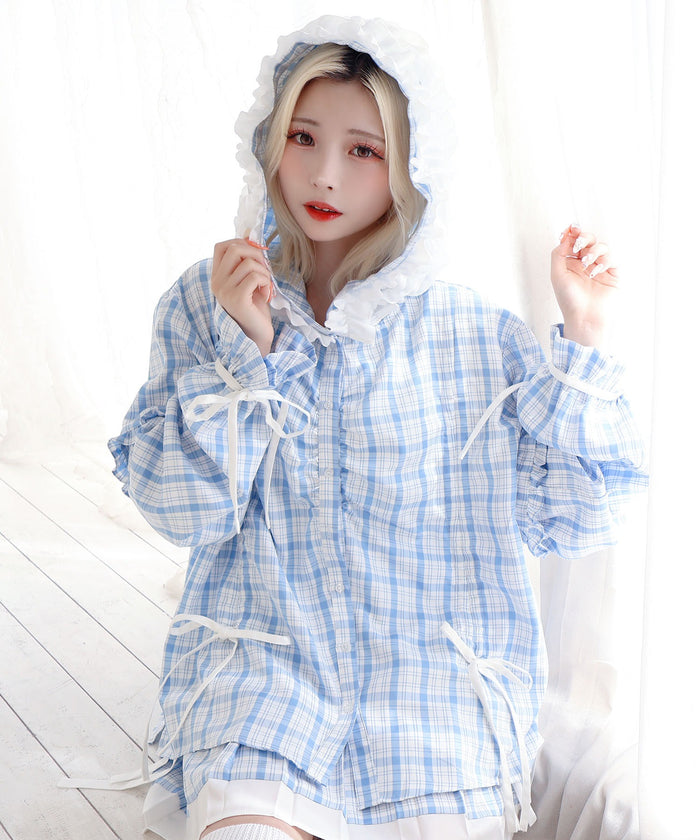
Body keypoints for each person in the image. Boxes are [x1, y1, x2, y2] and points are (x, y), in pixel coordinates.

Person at [107, 15, 647, 840]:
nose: (323, 174)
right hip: (262, 686)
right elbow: (182, 509)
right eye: (302, 137)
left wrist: (585, 332)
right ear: (268, 140)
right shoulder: (206, 302)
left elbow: (574, 516)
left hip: (433, 707)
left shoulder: (470, 335)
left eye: (364, 150)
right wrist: (249, 356)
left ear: (410, 168)